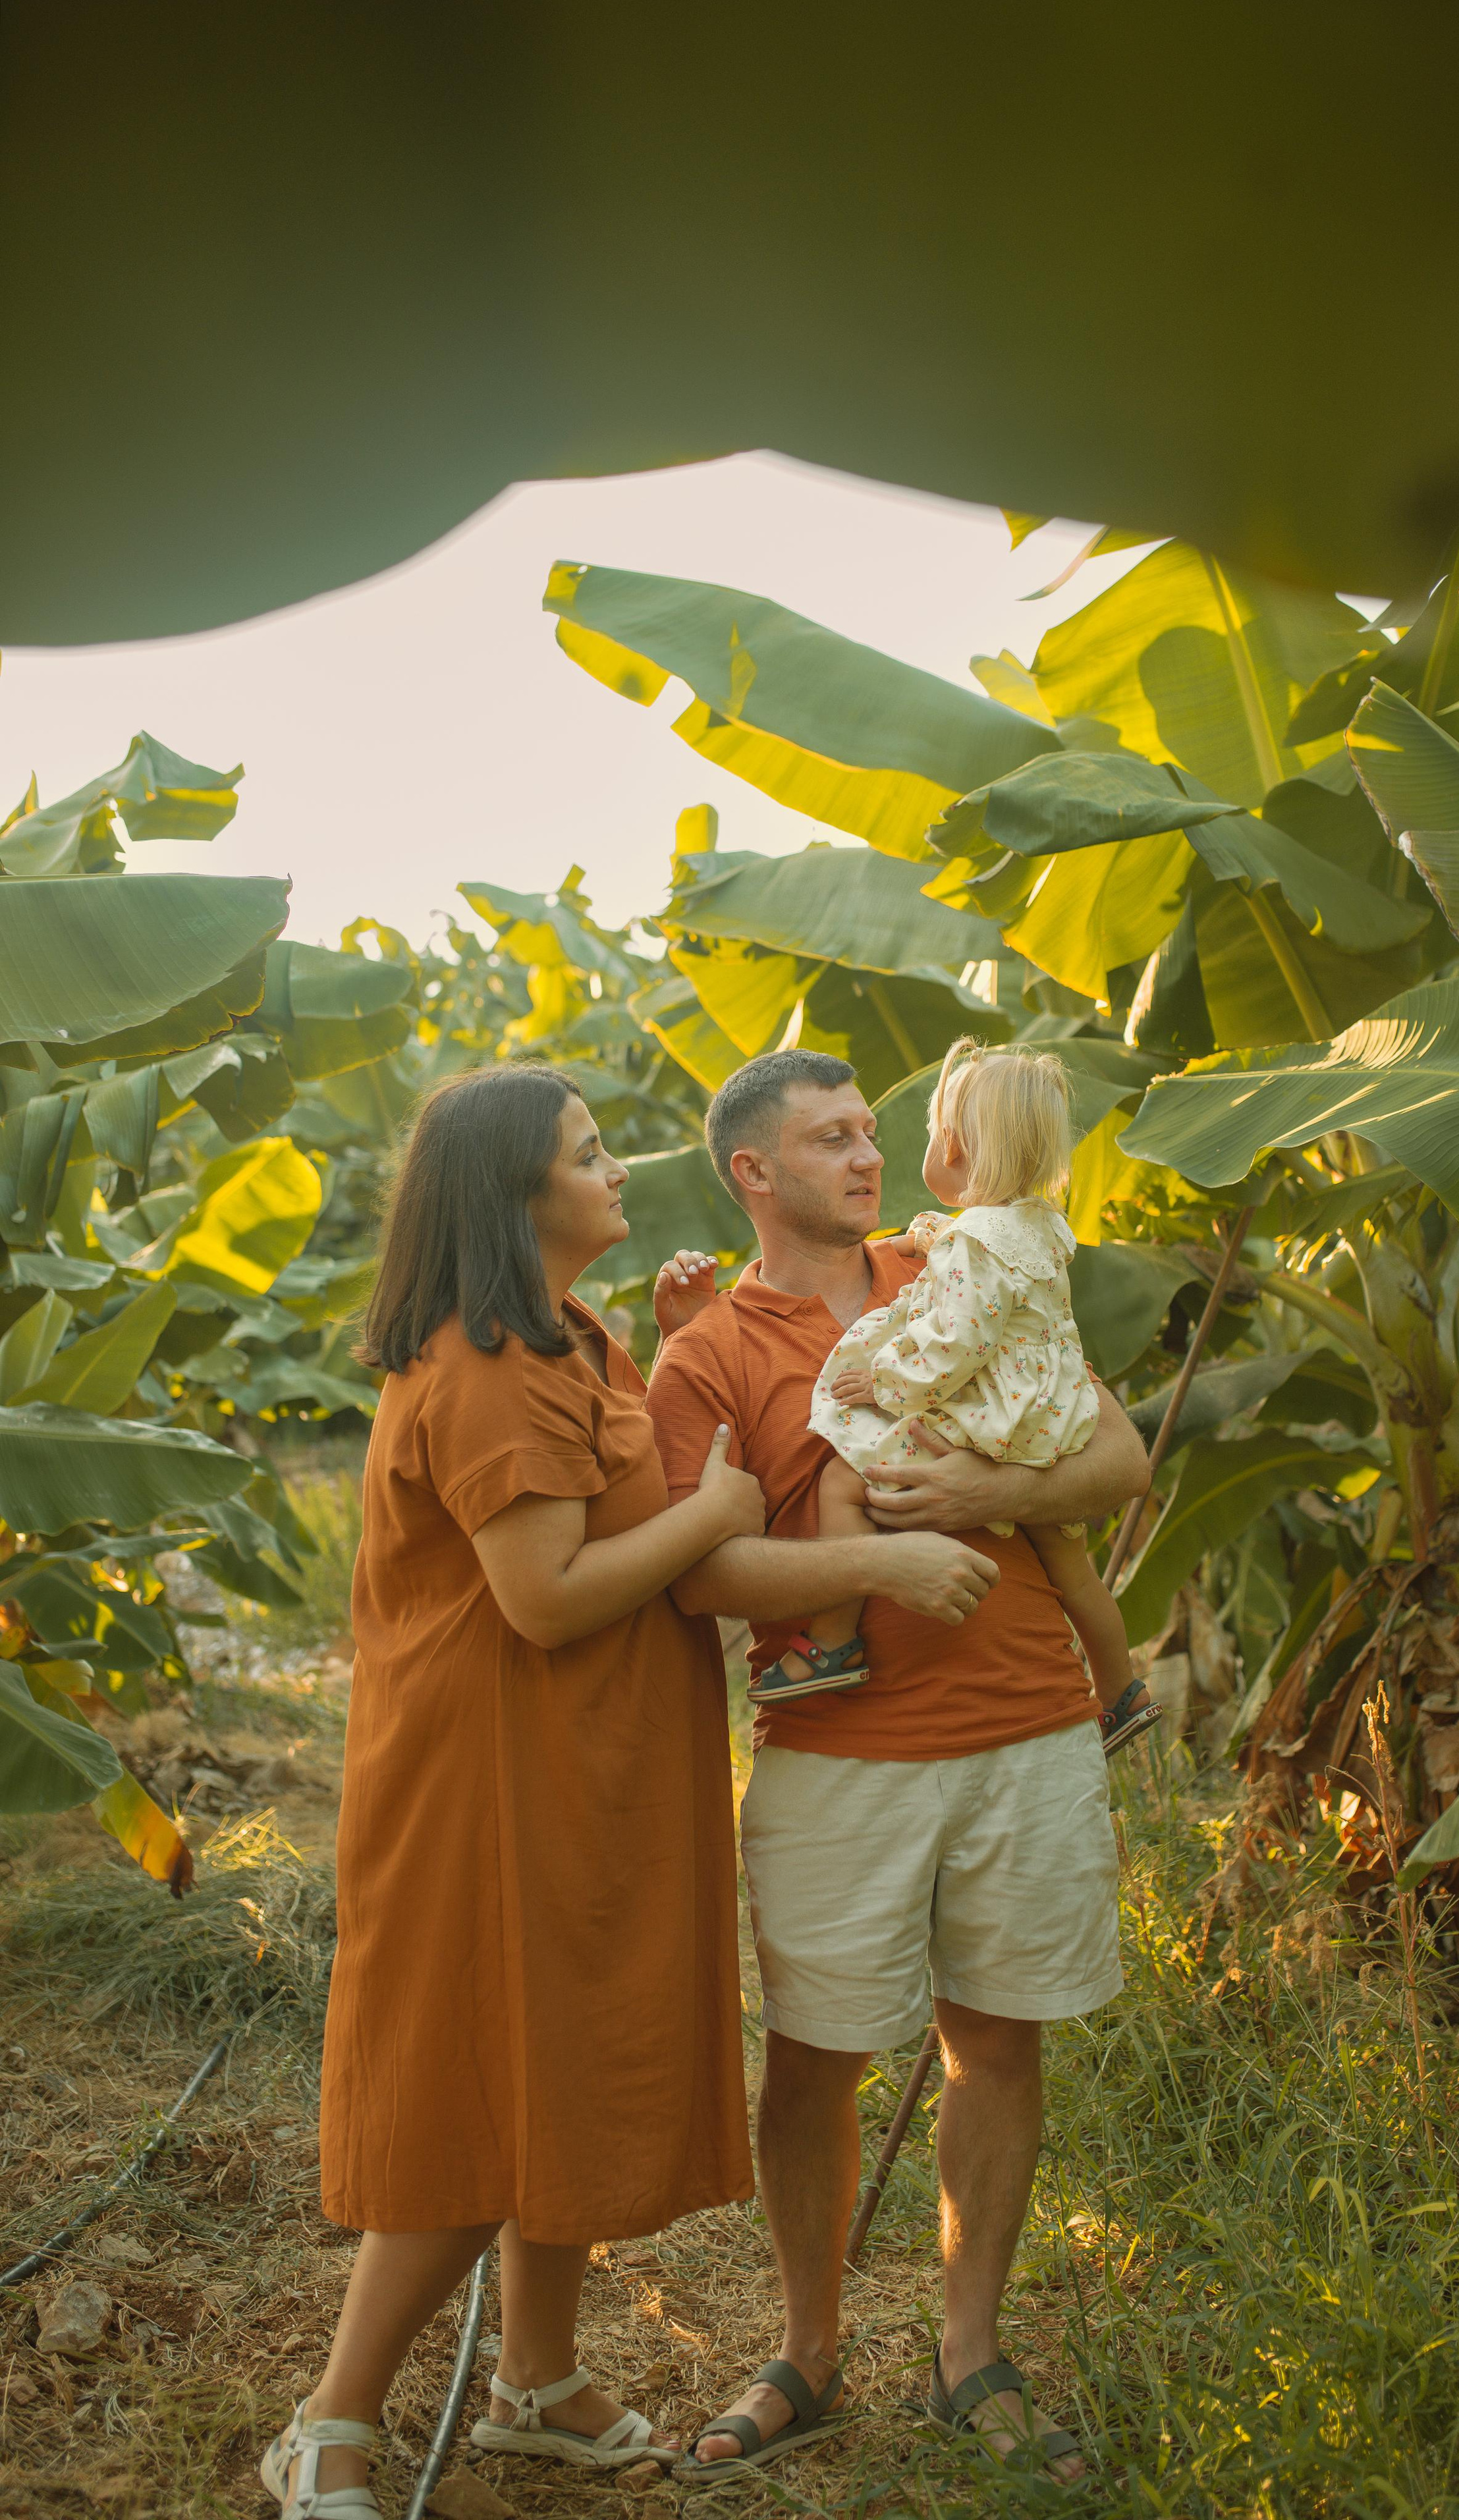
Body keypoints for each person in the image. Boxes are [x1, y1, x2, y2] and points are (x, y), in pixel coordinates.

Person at [644, 1047, 1153, 2484]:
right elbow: (700, 1574)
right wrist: (888, 1557)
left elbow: (1111, 1455)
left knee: (997, 2042)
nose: (865, 1159)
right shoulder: (708, 1353)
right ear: (752, 1173)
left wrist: (994, 1495)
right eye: (826, 1140)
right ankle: (807, 2350)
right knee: (814, 2059)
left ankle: (966, 2351)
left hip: (1029, 1727)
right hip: (834, 1754)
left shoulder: (960, 1264)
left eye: (871, 1131)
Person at [263, 1064, 762, 2518]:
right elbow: (542, 1600)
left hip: (583, 1764)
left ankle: (534, 2383)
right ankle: (330, 2425)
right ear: (515, 1197)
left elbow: (605, 1493)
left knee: (567, 2059)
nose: (618, 1170)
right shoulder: (483, 1368)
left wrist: (674, 1359)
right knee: (481, 2084)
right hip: (491, 1779)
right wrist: (718, 1514)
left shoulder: (572, 1335)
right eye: (589, 1154)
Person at [752, 1035, 1139, 1719]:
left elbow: (954, 1341)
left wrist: (885, 1382)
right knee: (1072, 1570)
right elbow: (985, 1261)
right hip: (1049, 1418)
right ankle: (1121, 1691)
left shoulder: (970, 1245)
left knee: (843, 1481)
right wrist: (926, 1238)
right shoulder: (1041, 1225)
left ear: (953, 1148)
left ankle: (832, 1644)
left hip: (991, 1418)